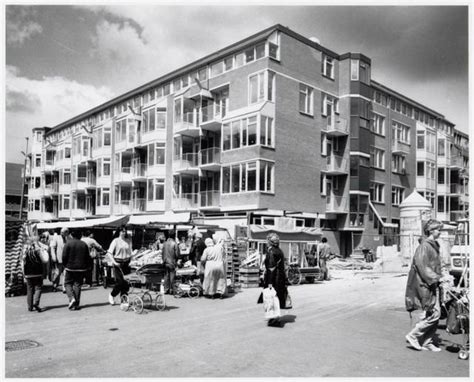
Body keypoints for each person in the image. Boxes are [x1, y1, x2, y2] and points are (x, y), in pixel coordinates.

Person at [405, 219, 443, 352]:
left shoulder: (433, 245)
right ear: (431, 231)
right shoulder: (425, 246)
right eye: (438, 229)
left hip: (432, 283)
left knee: (433, 313)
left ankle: (427, 341)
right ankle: (414, 335)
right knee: (434, 313)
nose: (440, 232)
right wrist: (437, 277)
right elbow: (422, 266)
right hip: (425, 284)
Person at [62, 229, 92, 311]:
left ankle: (71, 298)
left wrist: (65, 265)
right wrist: (86, 267)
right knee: (77, 285)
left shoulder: (68, 244)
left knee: (67, 284)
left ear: (72, 235)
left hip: (70, 267)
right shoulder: (84, 244)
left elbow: (64, 256)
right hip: (81, 268)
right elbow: (87, 257)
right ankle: (76, 304)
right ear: (80, 235)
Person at [263, 233, 289, 316]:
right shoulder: (279, 251)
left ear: (270, 242)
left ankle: (274, 318)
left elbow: (271, 269)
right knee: (276, 298)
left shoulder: (271, 252)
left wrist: (269, 284)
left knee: (271, 298)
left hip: (274, 280)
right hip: (280, 279)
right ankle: (276, 317)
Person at [106, 226, 133, 305]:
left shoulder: (128, 241)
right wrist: (114, 262)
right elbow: (109, 253)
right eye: (122, 231)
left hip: (126, 263)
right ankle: (112, 294)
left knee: (126, 283)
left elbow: (130, 253)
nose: (123, 233)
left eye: (125, 231)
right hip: (118, 263)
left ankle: (124, 299)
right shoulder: (115, 241)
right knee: (120, 282)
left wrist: (131, 259)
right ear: (119, 232)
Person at [22, 236, 49, 312]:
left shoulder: (25, 251)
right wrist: (43, 250)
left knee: (29, 289)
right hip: (38, 272)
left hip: (28, 273)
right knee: (38, 288)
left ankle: (30, 307)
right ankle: (36, 303)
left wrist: (23, 273)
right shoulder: (38, 250)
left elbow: (22, 263)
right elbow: (45, 260)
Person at [50, 227, 70, 292]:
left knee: (65, 273)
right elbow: (52, 247)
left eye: (65, 233)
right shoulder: (56, 237)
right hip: (59, 258)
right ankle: (55, 286)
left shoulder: (69, 238)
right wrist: (53, 256)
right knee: (57, 273)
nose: (63, 234)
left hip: (67, 259)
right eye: (62, 233)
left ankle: (64, 287)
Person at [162, 230, 180, 294]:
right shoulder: (175, 244)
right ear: (174, 236)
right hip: (172, 262)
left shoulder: (165, 243)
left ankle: (166, 289)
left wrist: (163, 260)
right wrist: (176, 260)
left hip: (165, 261)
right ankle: (171, 289)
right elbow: (177, 254)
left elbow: (162, 253)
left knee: (166, 276)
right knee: (172, 276)